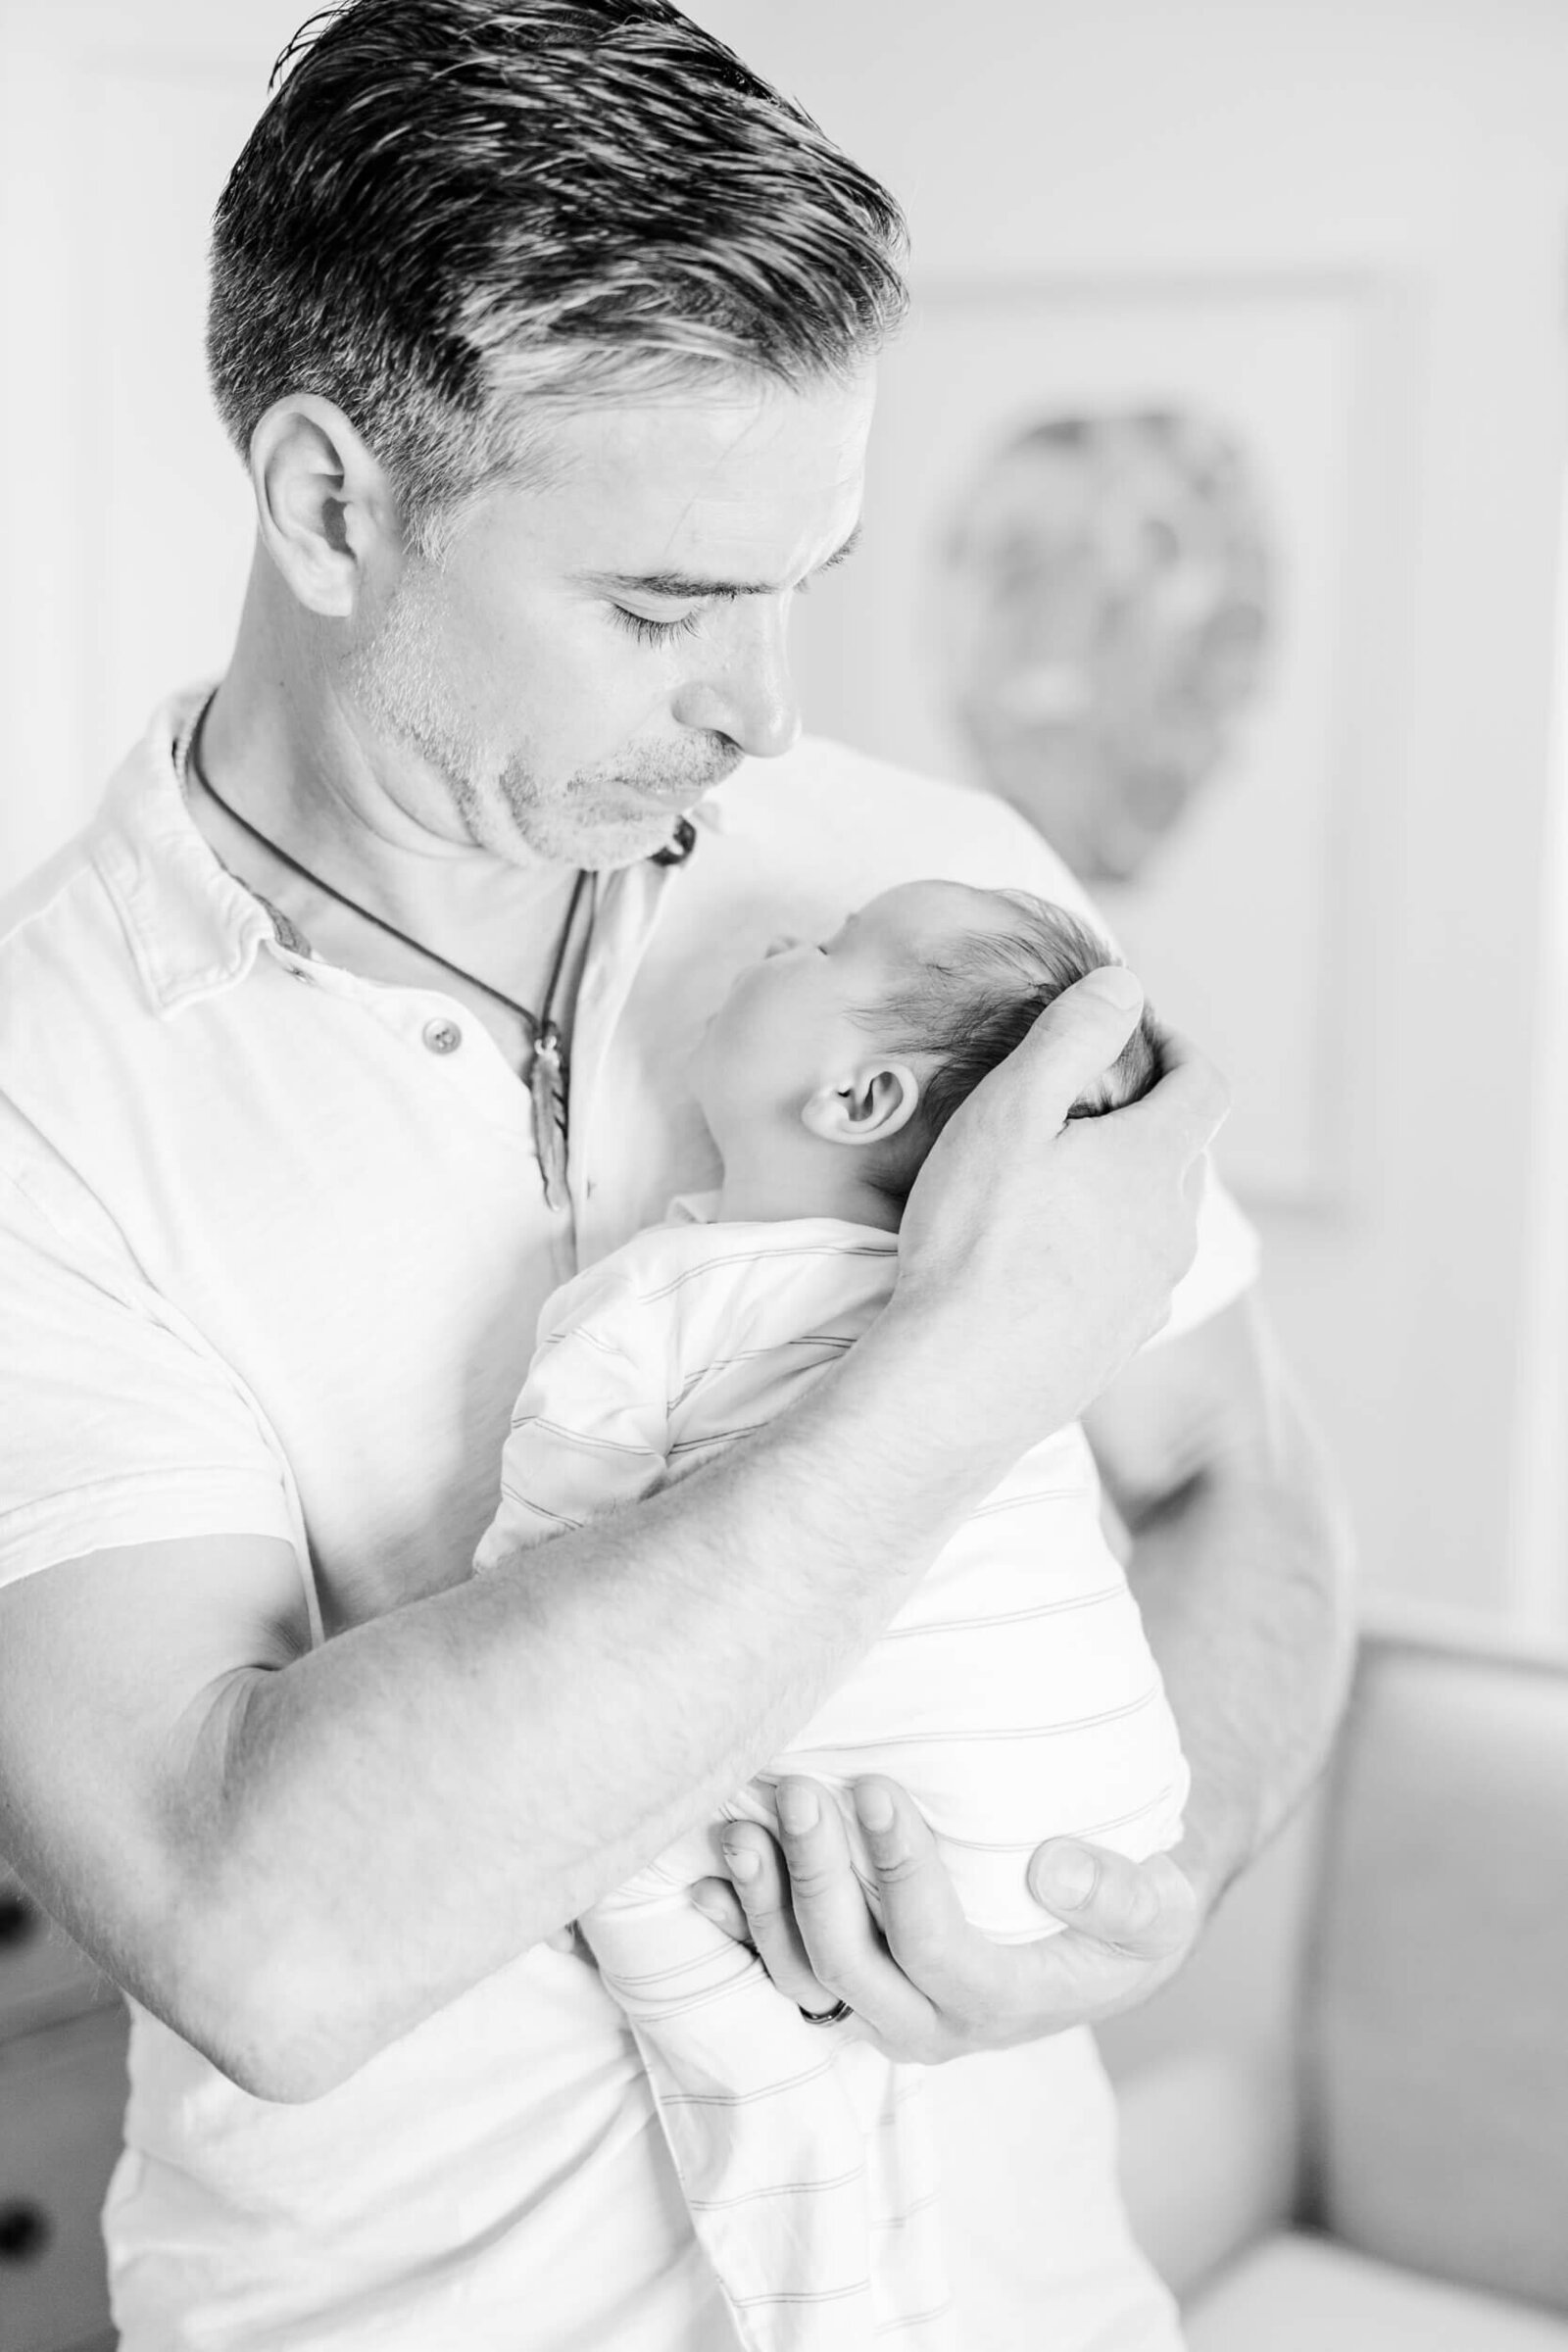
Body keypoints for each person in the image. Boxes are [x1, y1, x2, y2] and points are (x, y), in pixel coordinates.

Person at [0, 5, 1352, 2348]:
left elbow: (1225, 1473)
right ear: (332, 504)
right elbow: (262, 1935)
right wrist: (956, 1370)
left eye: (793, 574)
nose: (766, 715)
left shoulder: (922, 884)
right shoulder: (49, 1094)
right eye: (658, 608)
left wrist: (1151, 1877)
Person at [478, 880, 1190, 2350]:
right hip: (1096, 1829)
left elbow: (533, 1608)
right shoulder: (1032, 1314)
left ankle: (808, 2242)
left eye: (817, 952)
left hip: (869, 1863)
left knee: (603, 1838)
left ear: (862, 1094)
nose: (769, 941)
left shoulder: (657, 1305)